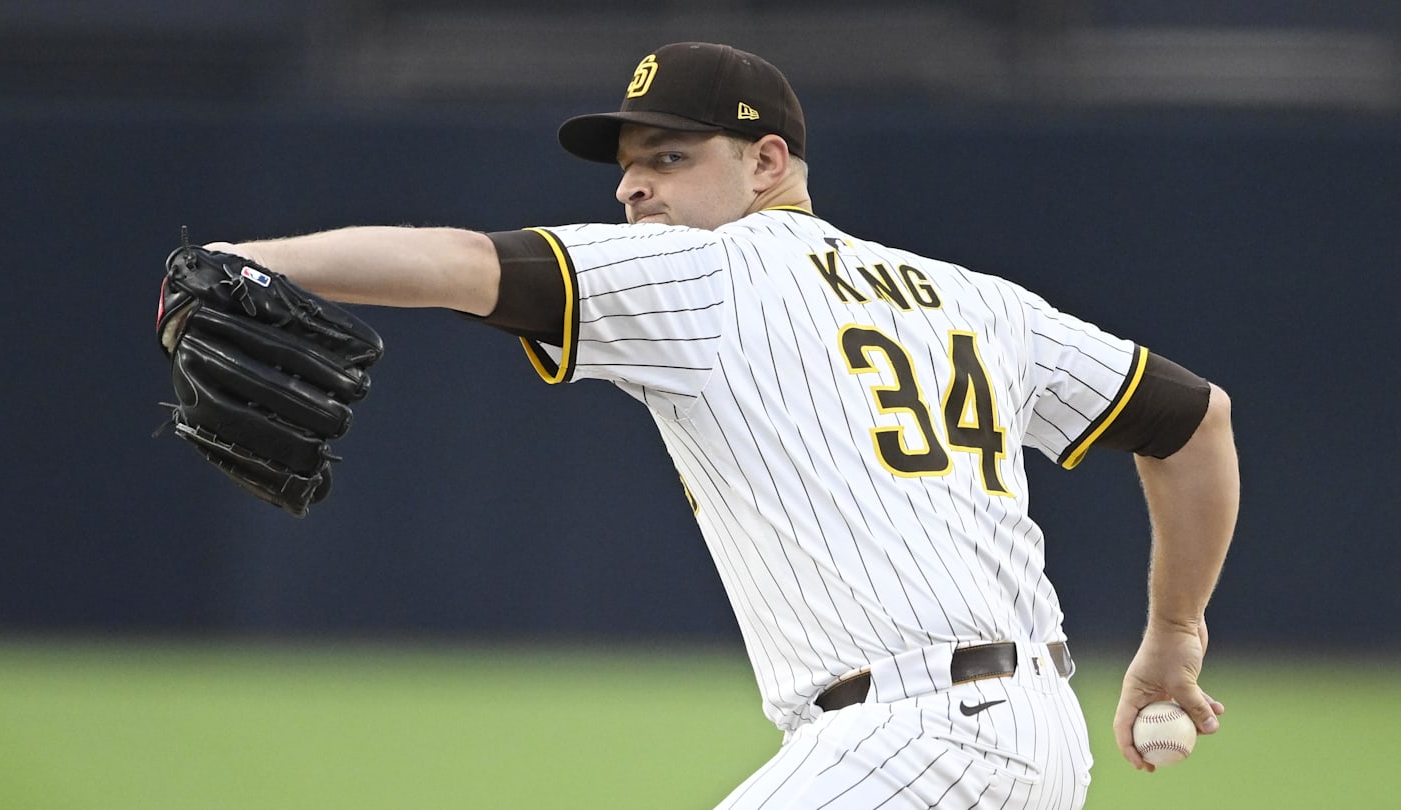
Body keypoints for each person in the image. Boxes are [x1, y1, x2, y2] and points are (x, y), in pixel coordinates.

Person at [201, 42, 1238, 809]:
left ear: (767, 162)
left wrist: (251, 260)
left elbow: (468, 265)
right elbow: (1193, 423)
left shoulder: (708, 268)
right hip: (1035, 740)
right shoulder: (976, 298)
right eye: (626, 165)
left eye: (670, 155)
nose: (632, 186)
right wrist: (1173, 637)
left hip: (922, 740)